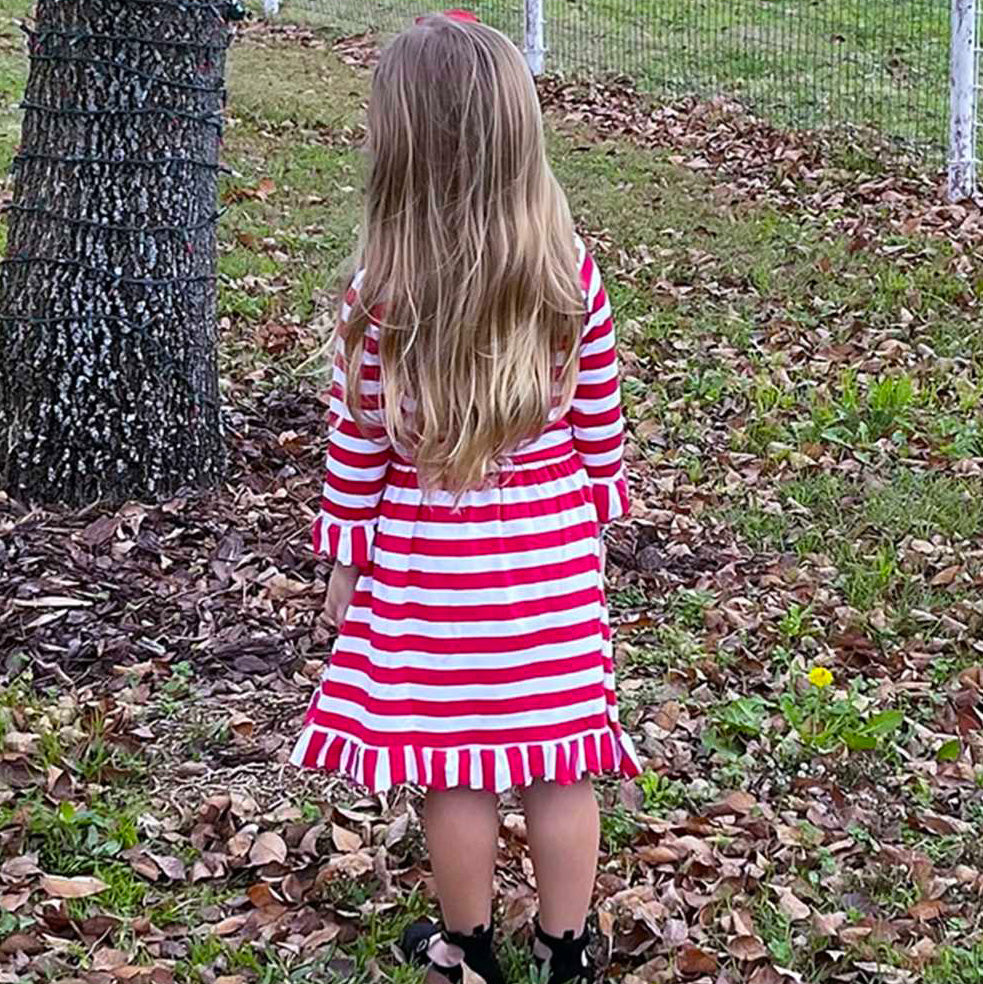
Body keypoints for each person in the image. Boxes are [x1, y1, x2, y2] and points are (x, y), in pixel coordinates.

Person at [291, 11, 641, 983]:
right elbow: (597, 420)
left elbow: (357, 442)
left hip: (431, 569)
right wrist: (596, 518)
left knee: (456, 768)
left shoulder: (379, 292)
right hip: (548, 561)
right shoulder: (564, 270)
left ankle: (466, 948)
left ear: (395, 148)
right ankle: (566, 950)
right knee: (559, 759)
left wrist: (346, 558)